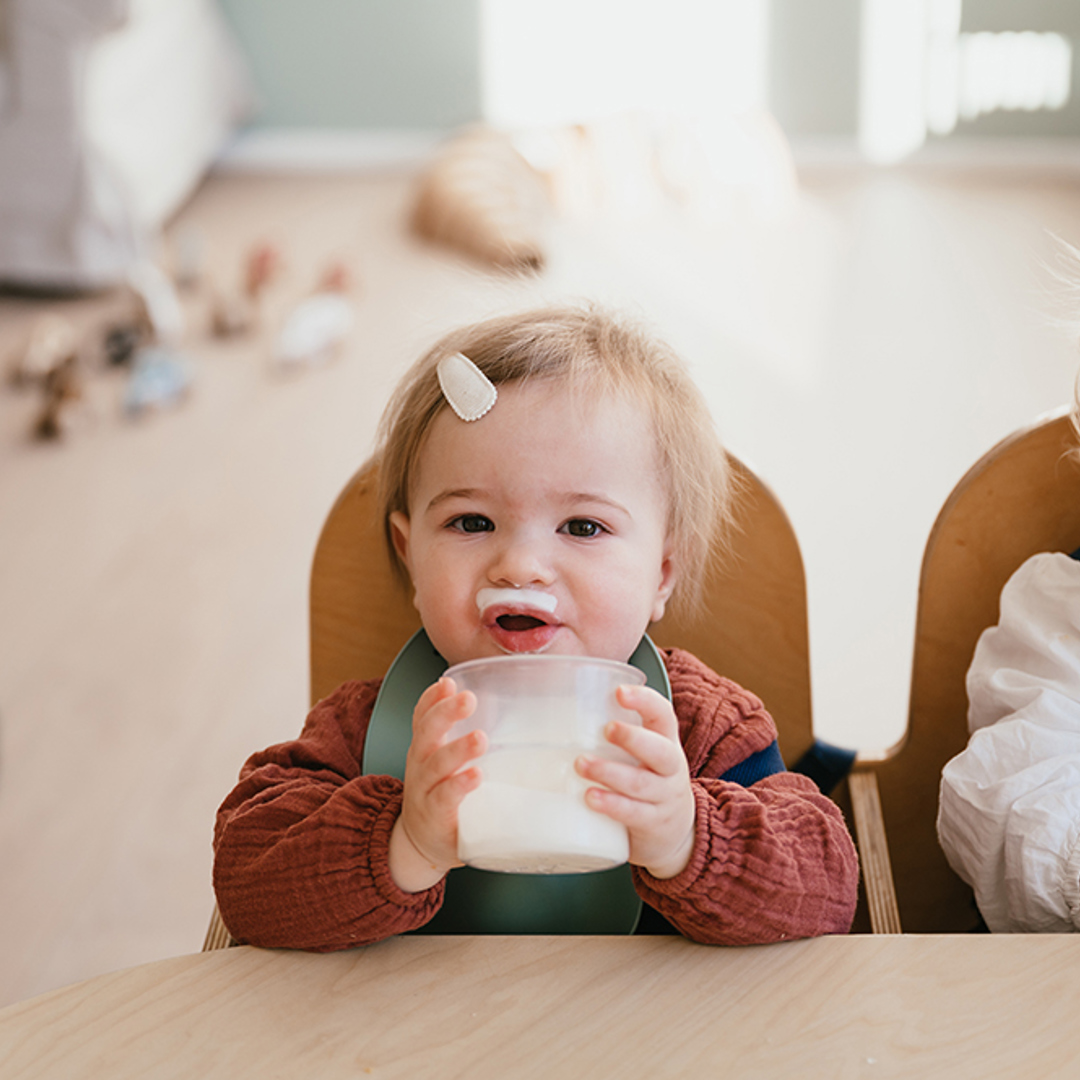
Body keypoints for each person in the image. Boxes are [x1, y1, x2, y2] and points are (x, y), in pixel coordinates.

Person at [213, 304, 859, 948]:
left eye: (583, 527)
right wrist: (402, 841)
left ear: (661, 574)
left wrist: (687, 835)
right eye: (471, 522)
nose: (520, 565)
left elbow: (828, 887)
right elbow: (246, 876)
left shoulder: (697, 730)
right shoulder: (369, 728)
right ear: (411, 557)